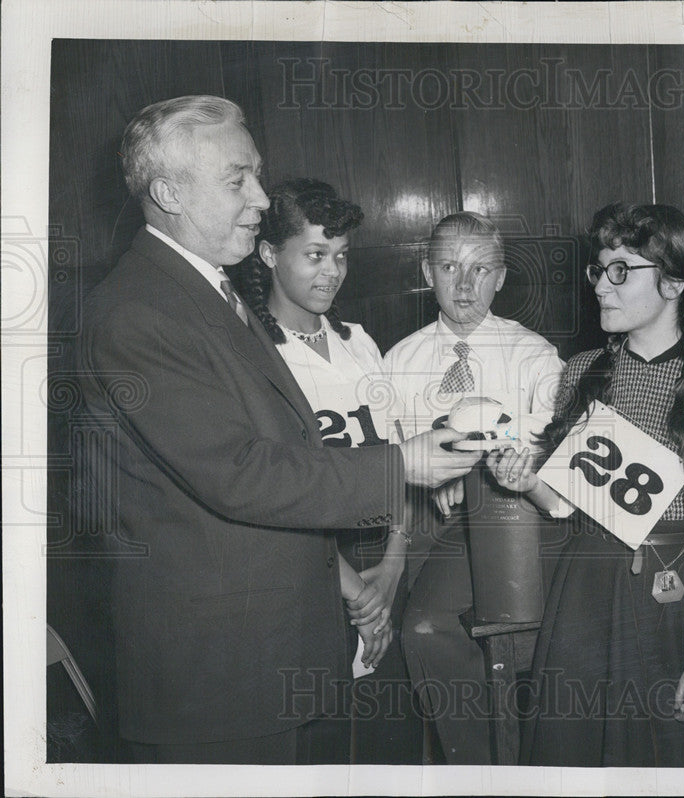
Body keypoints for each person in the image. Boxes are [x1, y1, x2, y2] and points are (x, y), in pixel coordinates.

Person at [76, 95, 479, 764]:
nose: (261, 197)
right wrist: (400, 465)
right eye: (238, 179)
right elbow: (240, 473)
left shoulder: (204, 291)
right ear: (170, 193)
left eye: (256, 174)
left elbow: (289, 451)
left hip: (275, 658)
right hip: (221, 680)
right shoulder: (139, 312)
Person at [487, 203, 684, 767]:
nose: (602, 286)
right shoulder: (581, 370)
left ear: (673, 282)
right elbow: (562, 506)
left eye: (622, 270)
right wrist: (525, 481)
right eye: (599, 269)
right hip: (586, 596)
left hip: (679, 600)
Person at [238, 176, 421, 763]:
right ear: (269, 254)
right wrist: (356, 593)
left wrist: (392, 567)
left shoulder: (359, 343)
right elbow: (274, 489)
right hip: (311, 565)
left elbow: (398, 462)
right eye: (315, 255)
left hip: (384, 559)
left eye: (341, 256)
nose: (332, 272)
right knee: (324, 746)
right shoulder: (253, 354)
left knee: (389, 743)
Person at [385, 211, 564, 764]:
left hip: (508, 529)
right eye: (449, 267)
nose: (464, 286)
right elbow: (388, 457)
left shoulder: (535, 356)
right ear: (426, 271)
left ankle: (487, 769)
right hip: (419, 528)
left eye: (481, 270)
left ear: (502, 277)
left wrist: (468, 471)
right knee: (389, 647)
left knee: (427, 629)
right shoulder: (397, 361)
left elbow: (550, 448)